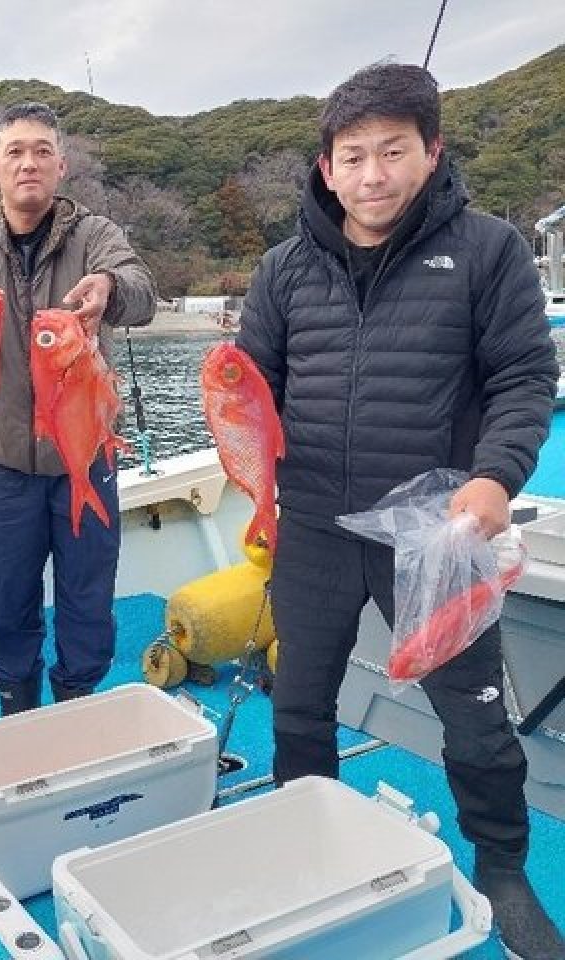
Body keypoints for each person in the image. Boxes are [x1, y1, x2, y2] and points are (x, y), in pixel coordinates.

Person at [236, 63, 563, 958]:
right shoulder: (283, 267)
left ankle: (501, 866)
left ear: (432, 153)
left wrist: (496, 476)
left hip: (437, 534)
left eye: (393, 152)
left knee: (476, 715)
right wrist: (243, 451)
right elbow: (250, 387)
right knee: (299, 704)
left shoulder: (489, 250)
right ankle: (307, 843)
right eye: (354, 156)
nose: (373, 174)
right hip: (312, 528)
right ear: (326, 167)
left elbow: (527, 378)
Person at [0, 102, 156, 714]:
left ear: (62, 166)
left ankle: (77, 701)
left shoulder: (97, 236)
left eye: (43, 151)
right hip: (4, 464)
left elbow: (140, 289)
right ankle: (17, 710)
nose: (29, 163)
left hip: (87, 454)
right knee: (9, 596)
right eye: (16, 151)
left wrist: (111, 289)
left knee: (87, 594)